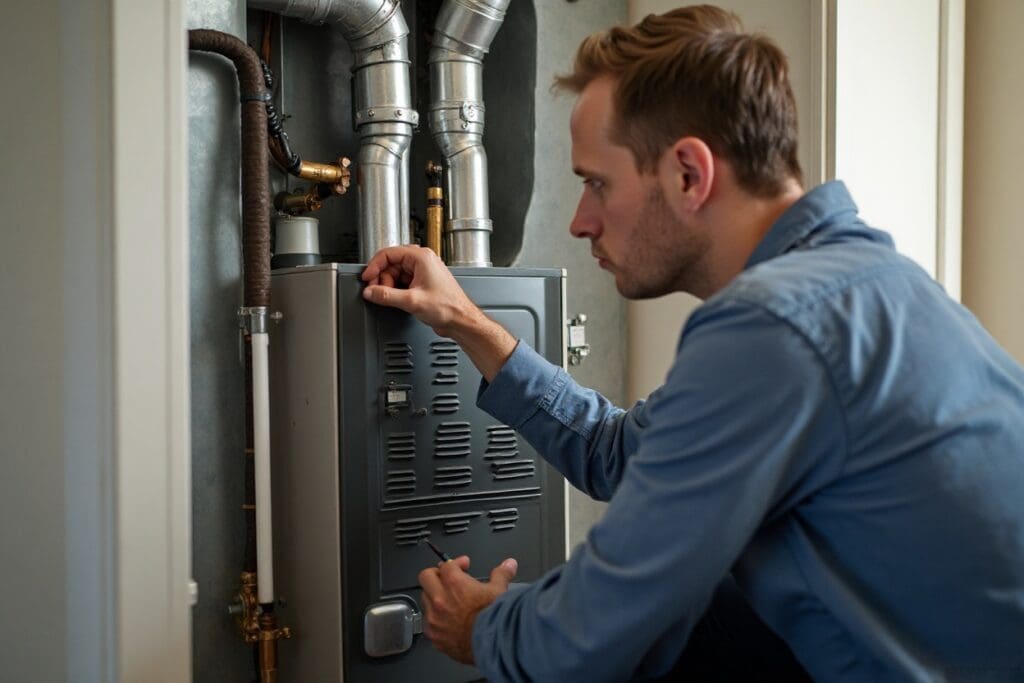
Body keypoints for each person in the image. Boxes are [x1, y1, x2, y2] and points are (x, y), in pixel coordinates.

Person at [361, 5, 1024, 681]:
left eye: (597, 183)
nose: (580, 221)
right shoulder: (867, 281)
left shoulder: (773, 327)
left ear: (688, 173)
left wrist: (482, 626)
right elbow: (618, 450)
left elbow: (590, 630)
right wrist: (467, 321)